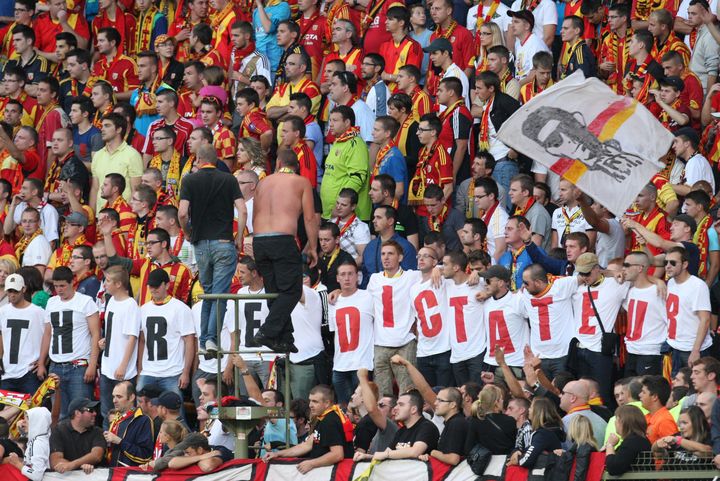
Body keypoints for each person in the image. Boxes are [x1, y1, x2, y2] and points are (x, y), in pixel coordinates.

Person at [179, 145, 246, 355]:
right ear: (216, 161)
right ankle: (211, 339)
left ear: (198, 159)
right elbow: (242, 210)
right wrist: (240, 236)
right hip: (224, 242)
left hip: (200, 244)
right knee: (219, 293)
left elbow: (182, 213)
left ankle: (206, 340)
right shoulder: (229, 179)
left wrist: (188, 233)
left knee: (209, 293)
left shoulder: (189, 180)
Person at [39, 267, 100, 419]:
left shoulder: (85, 302)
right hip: (56, 365)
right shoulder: (52, 302)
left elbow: (95, 334)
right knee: (59, 415)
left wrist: (92, 365)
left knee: (82, 414)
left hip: (78, 366)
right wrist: (41, 363)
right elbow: (47, 334)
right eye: (56, 286)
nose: (58, 290)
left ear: (72, 282)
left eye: (62, 286)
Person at [263, 385, 353, 473]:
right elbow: (306, 445)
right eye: (310, 400)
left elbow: (337, 455)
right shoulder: (323, 418)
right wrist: (277, 454)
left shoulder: (330, 421)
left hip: (336, 474)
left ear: (327, 403)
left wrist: (312, 463)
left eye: (315, 401)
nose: (310, 405)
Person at [137, 269, 195, 399]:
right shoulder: (143, 309)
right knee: (142, 412)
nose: (153, 289)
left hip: (173, 372)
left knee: (176, 414)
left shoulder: (180, 308)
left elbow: (190, 341)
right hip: (148, 371)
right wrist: (140, 369)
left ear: (167, 285)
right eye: (151, 286)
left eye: (157, 286)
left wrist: (186, 372)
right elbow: (142, 340)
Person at [98, 266, 141, 426]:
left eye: (108, 281)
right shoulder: (111, 302)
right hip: (107, 366)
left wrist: (123, 365)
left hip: (123, 370)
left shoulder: (130, 305)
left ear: (118, 284)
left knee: (125, 413)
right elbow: (113, 331)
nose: (105, 285)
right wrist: (104, 341)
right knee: (106, 412)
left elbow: (132, 337)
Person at [328, 260, 374, 405]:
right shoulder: (333, 302)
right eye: (343, 274)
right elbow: (334, 331)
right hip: (340, 365)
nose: (347, 278)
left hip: (362, 364)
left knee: (362, 407)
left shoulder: (368, 296)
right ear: (337, 278)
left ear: (357, 276)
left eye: (350, 274)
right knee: (343, 409)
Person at [665, 246, 713, 372]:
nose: (668, 266)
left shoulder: (697, 286)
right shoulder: (671, 282)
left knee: (694, 389)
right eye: (666, 262)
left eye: (673, 263)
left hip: (692, 348)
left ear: (685, 264)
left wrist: (695, 350)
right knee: (676, 389)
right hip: (674, 346)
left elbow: (705, 320)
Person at [0, 274, 45, 395]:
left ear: (23, 289)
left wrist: (43, 361)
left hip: (29, 372)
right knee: (4, 413)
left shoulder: (38, 312)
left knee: (32, 411)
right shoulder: (2, 312)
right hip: (7, 372)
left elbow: (49, 337)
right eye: (9, 291)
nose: (12, 295)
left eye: (15, 291)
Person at [370, 390, 440, 461]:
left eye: (401, 404)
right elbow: (385, 454)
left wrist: (387, 454)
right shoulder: (401, 431)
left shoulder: (427, 427)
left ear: (413, 409)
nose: (395, 408)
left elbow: (415, 452)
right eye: (396, 404)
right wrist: (366, 457)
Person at [104, 381, 154, 467]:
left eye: (119, 397)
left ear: (131, 397)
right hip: (113, 473)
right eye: (114, 396)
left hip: (131, 475)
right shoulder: (116, 419)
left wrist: (119, 441)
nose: (114, 400)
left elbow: (145, 456)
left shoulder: (143, 420)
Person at [49, 398, 105, 474]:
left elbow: (96, 456)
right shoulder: (59, 430)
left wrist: (73, 465)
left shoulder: (97, 431)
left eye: (95, 410)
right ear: (77, 413)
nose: (95, 413)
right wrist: (80, 467)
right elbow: (55, 461)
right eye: (90, 410)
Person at [508, 397, 565, 468]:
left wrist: (517, 459)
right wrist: (517, 452)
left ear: (538, 411)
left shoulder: (543, 434)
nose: (528, 410)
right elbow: (528, 450)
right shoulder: (545, 431)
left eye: (531, 407)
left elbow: (526, 461)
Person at [465, 385, 518, 455]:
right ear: (497, 402)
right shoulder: (510, 421)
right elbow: (516, 445)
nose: (503, 401)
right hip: (505, 462)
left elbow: (468, 449)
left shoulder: (474, 421)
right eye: (501, 399)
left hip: (484, 463)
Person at [604, 405, 652, 475]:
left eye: (616, 419)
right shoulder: (639, 439)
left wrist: (610, 445)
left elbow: (613, 468)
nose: (615, 423)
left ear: (623, 422)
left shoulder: (632, 441)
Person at [559, 380, 608, 448]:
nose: (560, 395)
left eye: (563, 393)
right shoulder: (602, 421)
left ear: (573, 398)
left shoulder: (565, 422)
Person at [641, 375, 678, 444]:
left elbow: (672, 451)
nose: (640, 395)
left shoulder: (665, 421)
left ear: (654, 397)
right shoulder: (646, 417)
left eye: (643, 392)